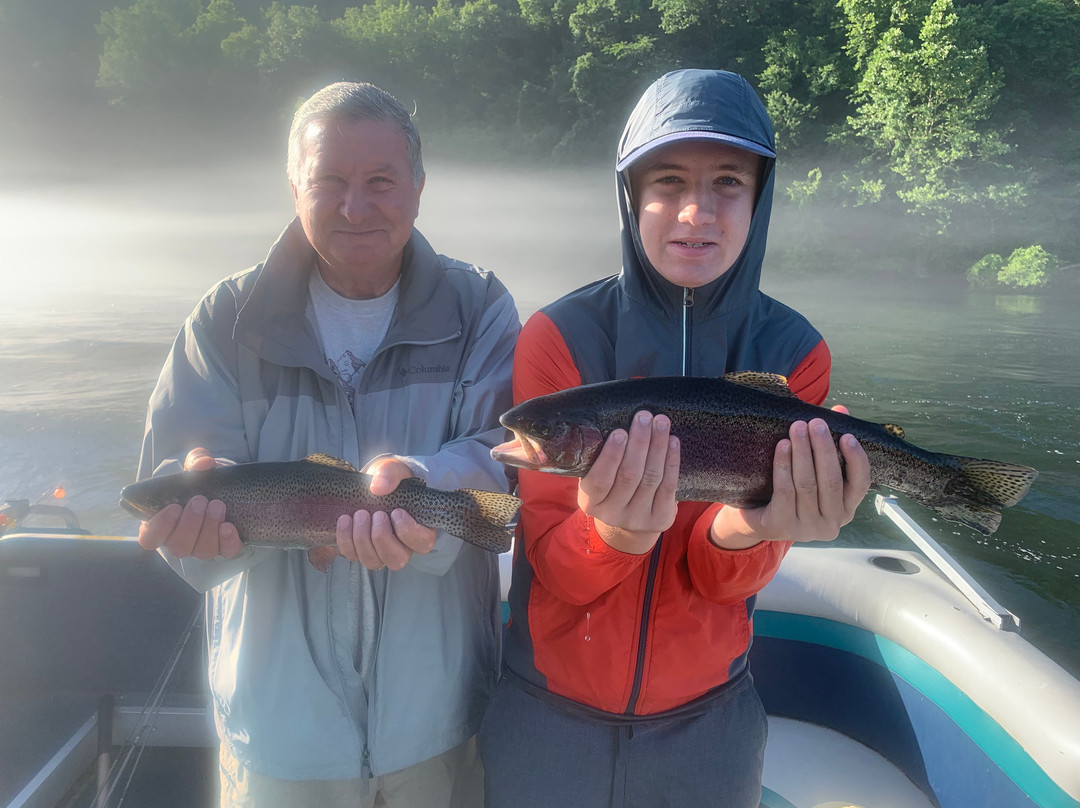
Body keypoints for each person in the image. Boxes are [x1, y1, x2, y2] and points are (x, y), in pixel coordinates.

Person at [478, 69, 872, 807]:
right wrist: (617, 533)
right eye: (666, 181)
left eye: (728, 180)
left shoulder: (795, 352)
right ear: (629, 197)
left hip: (709, 719)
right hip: (545, 712)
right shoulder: (558, 338)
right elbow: (558, 572)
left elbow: (720, 582)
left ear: (760, 198)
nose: (697, 210)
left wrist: (754, 525)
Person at [134, 81, 520, 807]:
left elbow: (504, 459)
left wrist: (422, 485)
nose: (355, 206)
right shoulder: (223, 321)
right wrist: (200, 538)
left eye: (380, 182)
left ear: (419, 187)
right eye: (330, 182)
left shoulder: (480, 309)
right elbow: (173, 491)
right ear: (294, 186)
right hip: (280, 735)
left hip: (438, 724)